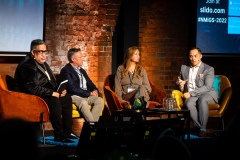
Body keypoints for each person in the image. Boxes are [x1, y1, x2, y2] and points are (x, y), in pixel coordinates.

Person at [14, 39, 78, 143]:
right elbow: (31, 87)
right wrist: (52, 93)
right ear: (33, 52)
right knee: (54, 99)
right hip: (29, 97)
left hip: (42, 94)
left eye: (45, 52)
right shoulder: (27, 65)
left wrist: (60, 90)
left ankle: (67, 131)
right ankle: (59, 134)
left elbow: (50, 82)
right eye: (40, 52)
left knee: (66, 98)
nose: (44, 55)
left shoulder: (43, 63)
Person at [176, 47, 218, 137]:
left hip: (207, 93)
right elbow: (178, 81)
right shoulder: (184, 68)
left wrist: (190, 93)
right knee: (189, 103)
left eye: (195, 56)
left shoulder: (208, 69)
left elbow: (207, 87)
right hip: (193, 96)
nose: (193, 58)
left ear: (200, 56)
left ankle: (203, 129)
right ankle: (201, 129)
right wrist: (181, 84)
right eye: (191, 56)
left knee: (202, 100)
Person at [60, 48, 103, 122]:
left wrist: (94, 90)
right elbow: (72, 88)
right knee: (83, 102)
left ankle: (91, 127)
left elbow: (90, 83)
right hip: (74, 96)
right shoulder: (66, 70)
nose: (82, 59)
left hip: (85, 95)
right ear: (73, 59)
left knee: (99, 100)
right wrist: (89, 93)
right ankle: (93, 127)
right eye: (80, 57)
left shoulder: (82, 70)